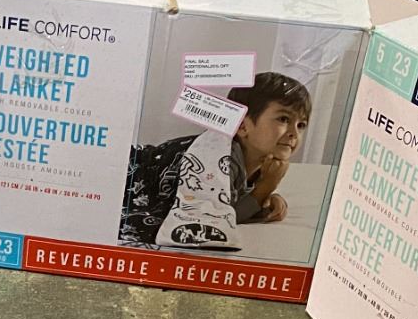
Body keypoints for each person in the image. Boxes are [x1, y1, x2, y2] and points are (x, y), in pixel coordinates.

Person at [123, 71, 312, 252]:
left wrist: (266, 197)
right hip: (134, 169)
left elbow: (227, 200)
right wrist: (266, 188)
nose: (294, 133)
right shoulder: (218, 157)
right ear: (242, 126)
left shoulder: (261, 160)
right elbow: (217, 219)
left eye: (301, 125)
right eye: (283, 119)